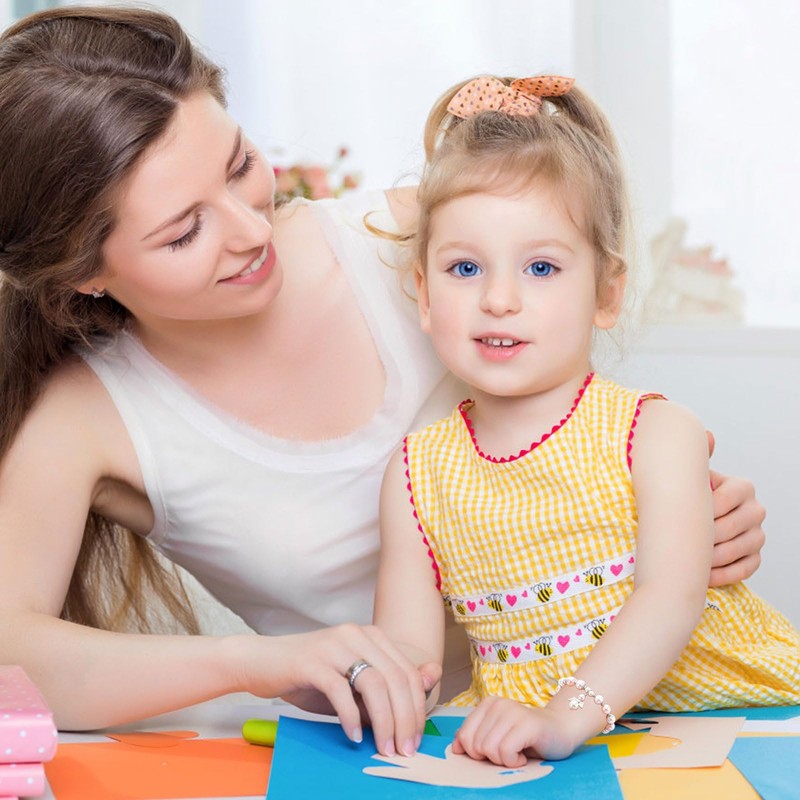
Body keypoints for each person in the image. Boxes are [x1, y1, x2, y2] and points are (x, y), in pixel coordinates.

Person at [0, 7, 765, 756]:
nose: (252, 229)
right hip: (423, 748)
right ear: (83, 274)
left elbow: (584, 396)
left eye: (239, 165)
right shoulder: (83, 420)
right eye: (185, 231)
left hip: (632, 719)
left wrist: (691, 518)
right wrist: (252, 661)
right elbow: (11, 658)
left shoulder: (419, 238)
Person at [373, 74, 800, 768]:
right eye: (464, 267)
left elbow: (672, 596)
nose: (500, 299)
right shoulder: (417, 471)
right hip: (544, 750)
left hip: (738, 725)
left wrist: (566, 717)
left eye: (541, 266)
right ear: (422, 294)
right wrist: (369, 686)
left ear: (606, 292)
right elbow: (411, 657)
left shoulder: (656, 432)